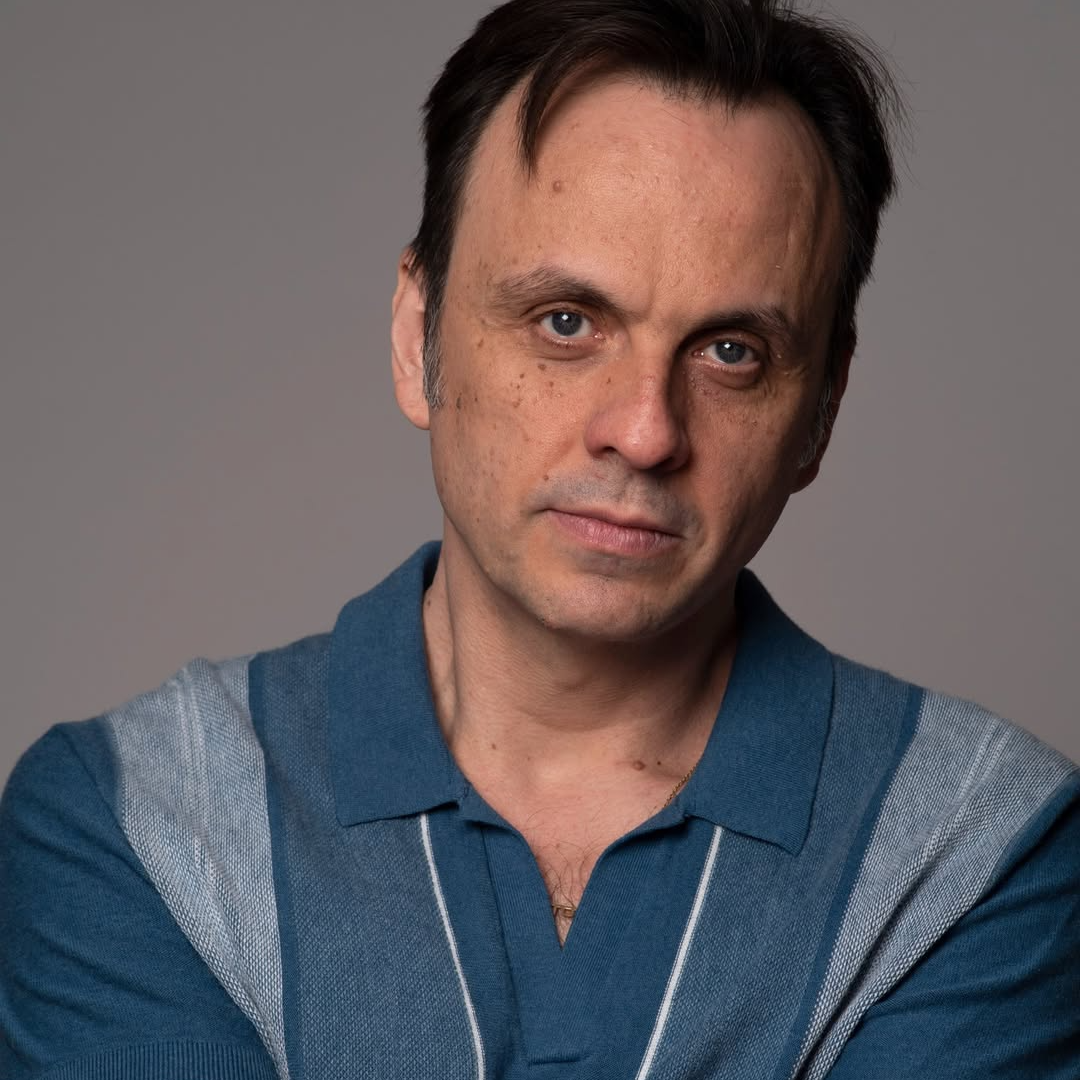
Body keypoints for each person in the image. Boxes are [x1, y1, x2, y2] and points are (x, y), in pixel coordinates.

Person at [1, 0, 1077, 1077]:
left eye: (731, 352)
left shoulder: (981, 847)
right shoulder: (138, 819)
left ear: (823, 410)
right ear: (417, 336)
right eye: (566, 322)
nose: (645, 432)